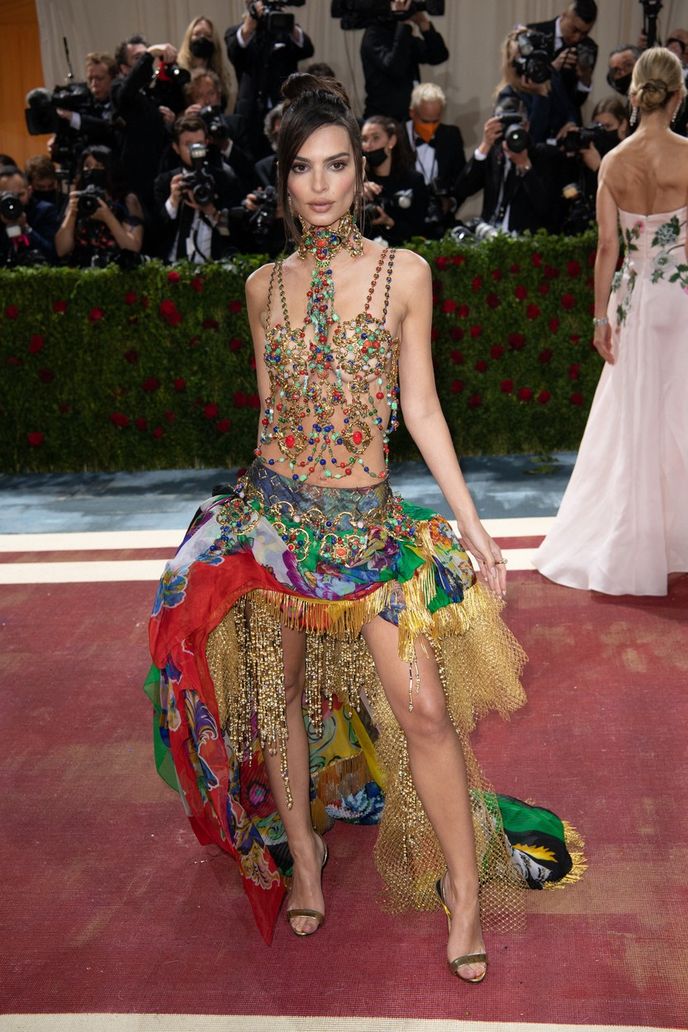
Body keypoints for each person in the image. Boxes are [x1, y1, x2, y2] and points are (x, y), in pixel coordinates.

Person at [146, 72, 582, 977]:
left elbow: (421, 410)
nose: (320, 185)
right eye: (302, 168)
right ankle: (305, 856)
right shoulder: (262, 287)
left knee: (423, 711)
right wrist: (246, 525)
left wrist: (474, 526)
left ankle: (464, 895)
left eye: (336, 164)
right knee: (281, 700)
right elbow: (272, 410)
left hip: (371, 532)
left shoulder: (405, 273)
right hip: (273, 530)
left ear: (360, 169)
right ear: (283, 177)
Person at [533, 48, 688, 595]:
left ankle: (641, 536)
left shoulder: (616, 161)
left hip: (637, 301)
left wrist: (599, 316)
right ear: (678, 94)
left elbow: (606, 247)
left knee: (638, 420)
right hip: (683, 300)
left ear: (636, 92)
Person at [152, 114, 242, 263]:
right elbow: (155, 234)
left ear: (207, 143)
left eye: (199, 143)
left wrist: (211, 211)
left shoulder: (224, 179)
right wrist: (173, 201)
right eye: (188, 144)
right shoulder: (165, 182)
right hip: (172, 269)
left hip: (214, 268)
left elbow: (234, 234)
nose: (194, 150)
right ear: (176, 147)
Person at [54, 145, 144, 266]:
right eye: (87, 166)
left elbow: (133, 248)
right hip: (81, 271)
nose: (92, 170)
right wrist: (72, 214)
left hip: (117, 272)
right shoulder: (76, 199)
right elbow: (61, 250)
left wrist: (108, 217)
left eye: (99, 166)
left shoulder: (126, 200)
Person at [361, 0, 448, 122]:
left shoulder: (403, 34)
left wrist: (424, 25)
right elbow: (395, 67)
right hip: (381, 119)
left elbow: (438, 56)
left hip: (407, 117)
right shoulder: (374, 34)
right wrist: (403, 23)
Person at [406, 82, 465, 238]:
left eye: (436, 121)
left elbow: (461, 179)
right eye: (425, 121)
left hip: (440, 223)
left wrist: (451, 202)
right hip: (404, 221)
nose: (431, 127)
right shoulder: (397, 136)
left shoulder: (451, 136)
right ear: (412, 113)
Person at [361, 115, 427, 244]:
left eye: (375, 138)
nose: (369, 145)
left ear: (391, 141)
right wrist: (356, 197)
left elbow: (419, 231)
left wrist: (389, 223)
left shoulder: (413, 181)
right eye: (364, 139)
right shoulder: (357, 182)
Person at [528, 0, 599, 117]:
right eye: (574, 29)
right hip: (533, 114)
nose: (577, 38)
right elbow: (521, 82)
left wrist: (585, 79)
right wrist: (552, 68)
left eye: (584, 33)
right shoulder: (534, 33)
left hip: (566, 121)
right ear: (564, 15)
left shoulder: (588, 48)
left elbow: (577, 101)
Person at [178, 15, 234, 110]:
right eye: (197, 34)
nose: (202, 38)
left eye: (208, 35)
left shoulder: (220, 74)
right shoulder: (179, 73)